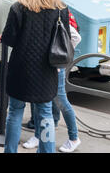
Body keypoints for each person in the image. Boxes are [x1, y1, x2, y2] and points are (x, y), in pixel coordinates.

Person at [1, 0, 69, 153]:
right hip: (47, 71)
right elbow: (65, 39)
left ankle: (10, 151)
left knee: (15, 112)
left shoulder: (18, 8)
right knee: (45, 114)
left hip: (20, 69)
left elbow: (9, 39)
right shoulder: (60, 9)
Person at [23, 13, 82, 153]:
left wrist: (61, 54)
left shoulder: (57, 11)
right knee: (41, 102)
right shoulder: (41, 10)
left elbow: (75, 37)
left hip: (55, 66)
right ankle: (39, 136)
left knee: (60, 100)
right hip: (45, 66)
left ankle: (74, 138)